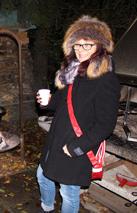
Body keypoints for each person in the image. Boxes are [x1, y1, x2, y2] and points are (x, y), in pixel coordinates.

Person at [36, 15, 120, 213]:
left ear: (100, 46)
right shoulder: (72, 72)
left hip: (76, 144)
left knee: (68, 192)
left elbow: (105, 124)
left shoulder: (106, 80)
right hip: (56, 139)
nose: (80, 51)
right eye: (77, 46)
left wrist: (77, 147)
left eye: (87, 45)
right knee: (42, 175)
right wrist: (47, 102)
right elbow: (62, 102)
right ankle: (46, 208)